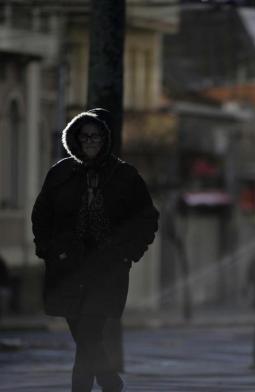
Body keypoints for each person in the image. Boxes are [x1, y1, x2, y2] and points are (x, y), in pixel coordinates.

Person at [31, 109, 159, 392]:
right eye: (84, 136)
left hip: (106, 271)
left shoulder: (125, 175)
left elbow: (147, 219)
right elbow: (41, 215)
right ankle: (111, 382)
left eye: (96, 136)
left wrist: (127, 253)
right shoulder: (60, 173)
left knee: (89, 334)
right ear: (74, 139)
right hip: (66, 270)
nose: (90, 141)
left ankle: (96, 387)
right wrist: (49, 251)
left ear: (106, 139)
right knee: (85, 338)